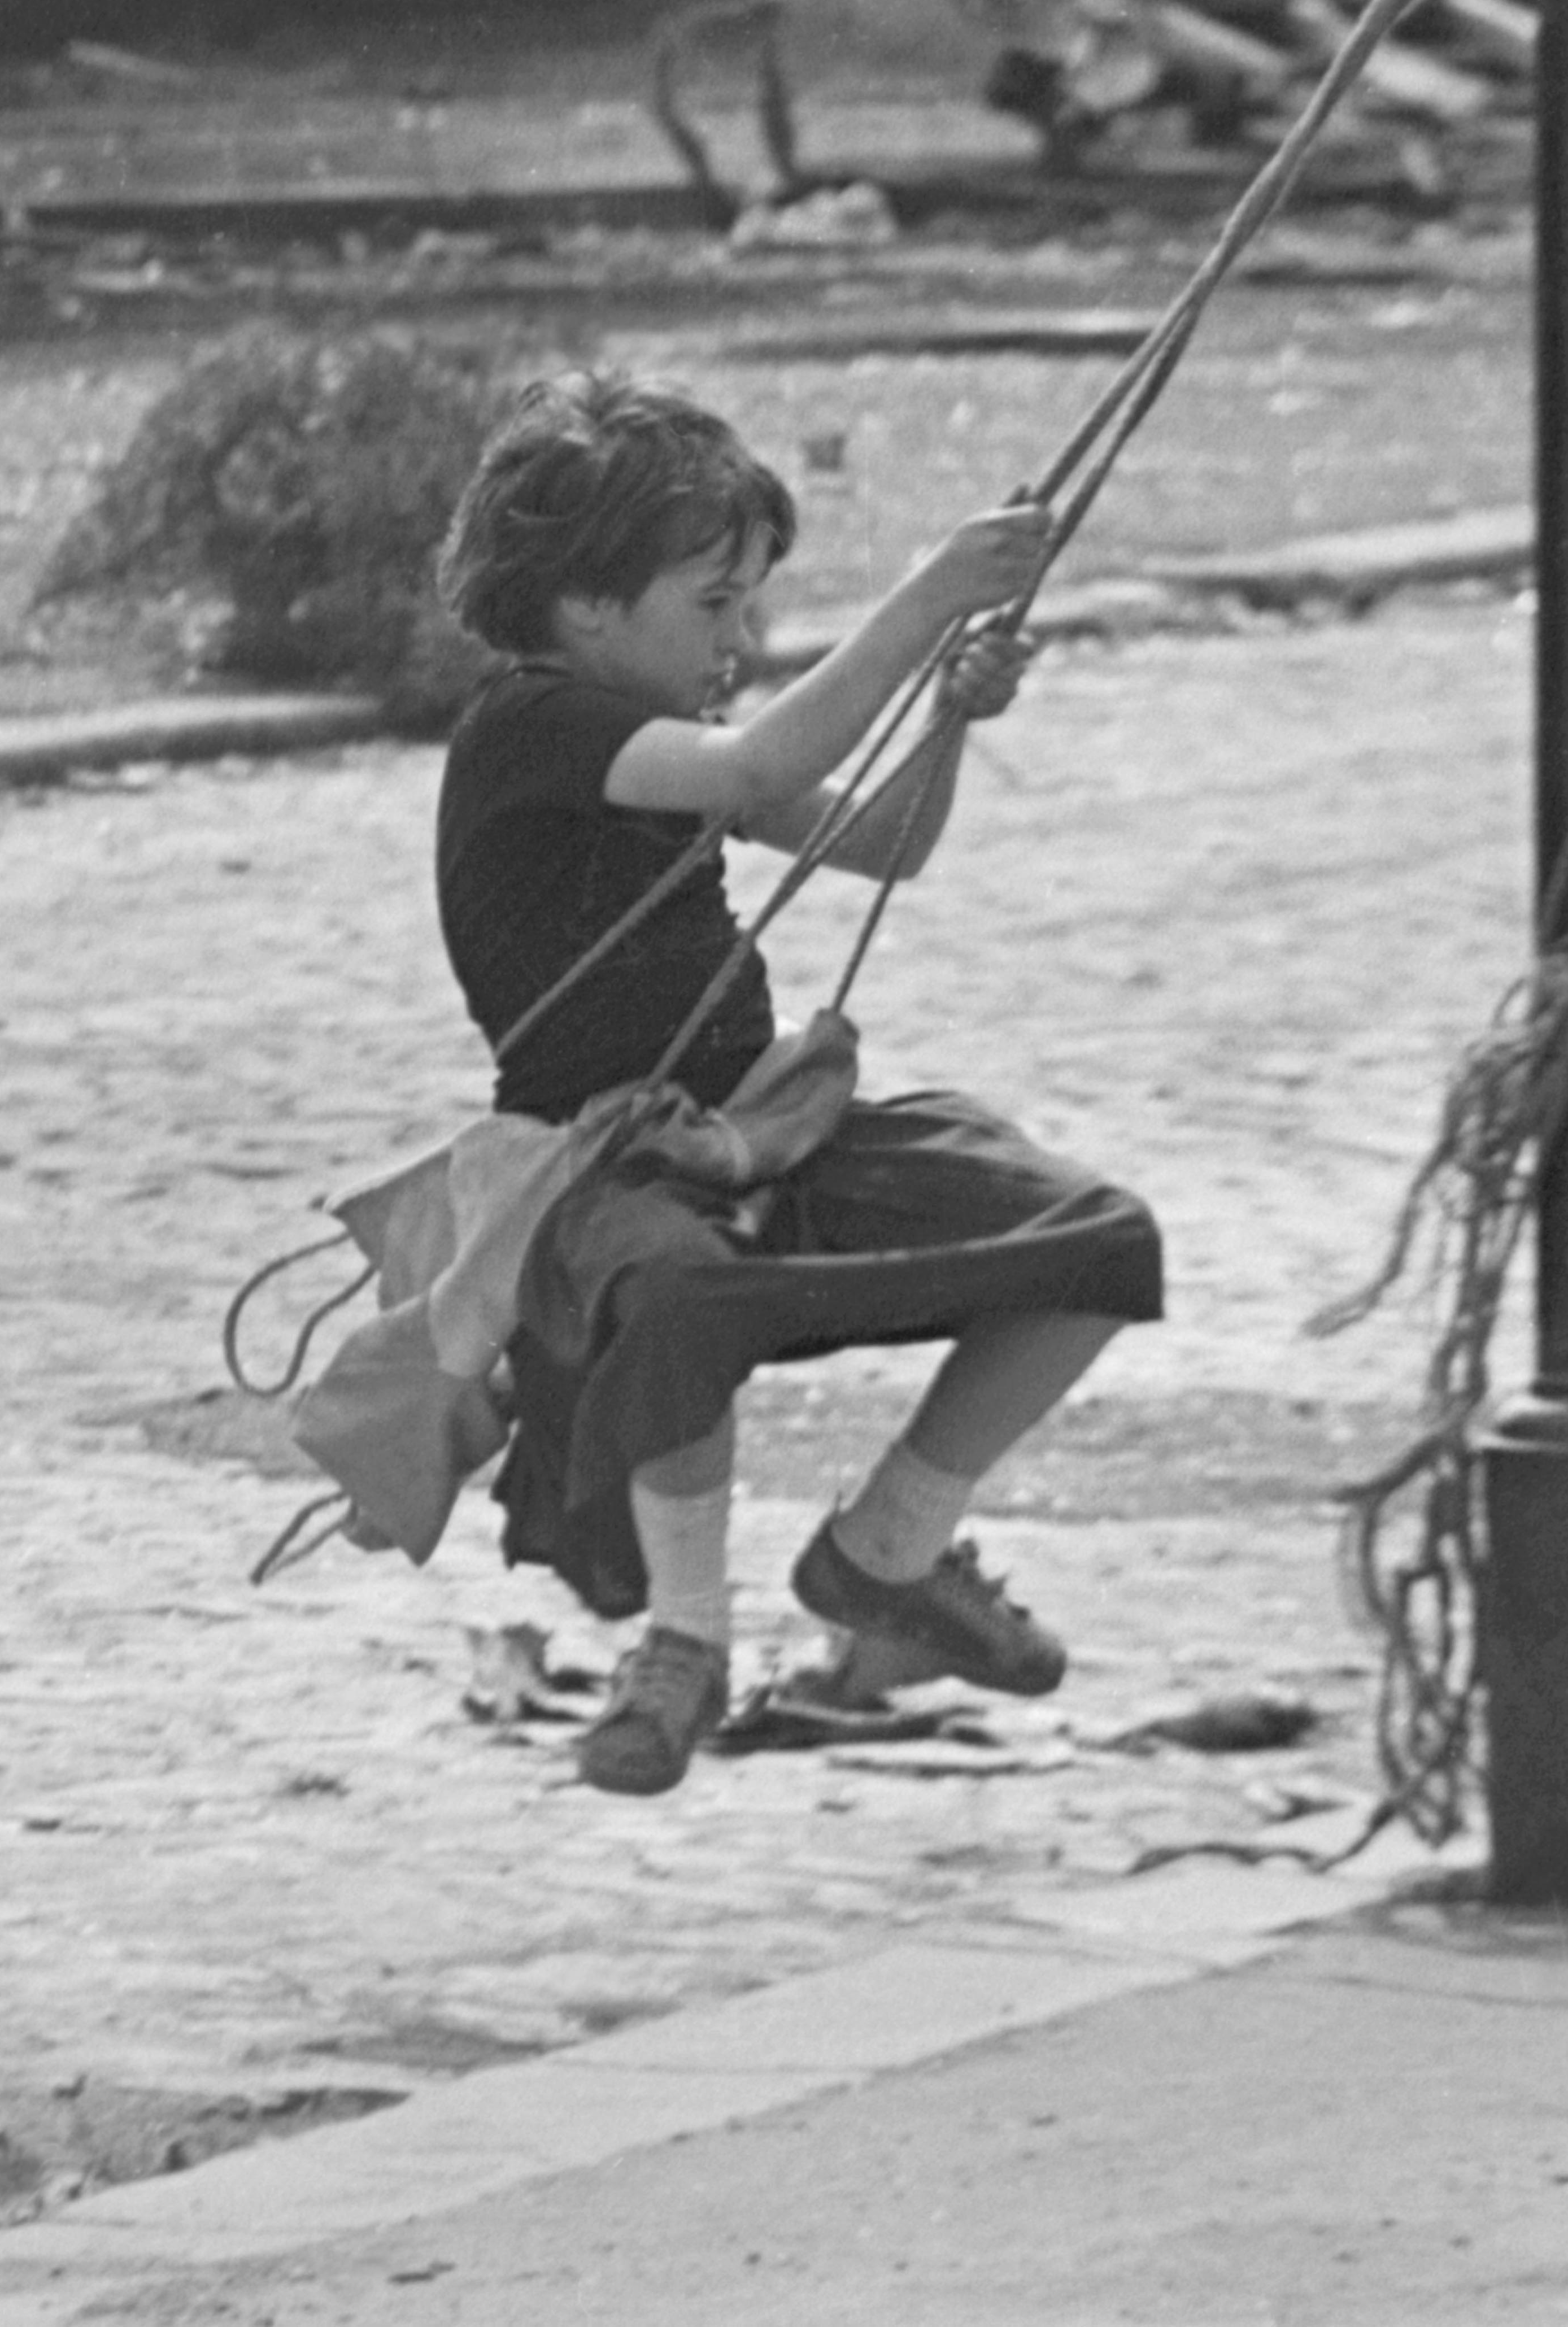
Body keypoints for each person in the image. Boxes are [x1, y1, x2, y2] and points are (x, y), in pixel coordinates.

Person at [430, 371, 1165, 1796]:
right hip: (598, 1168)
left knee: (1093, 1238)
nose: (741, 637)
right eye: (714, 604)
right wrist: (930, 592)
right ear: (586, 604)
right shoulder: (536, 725)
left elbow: (884, 840)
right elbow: (770, 752)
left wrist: (947, 712)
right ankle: (684, 1642)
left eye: (752, 603)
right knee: (675, 1294)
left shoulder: (664, 741)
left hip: (756, 1124)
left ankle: (887, 1544)